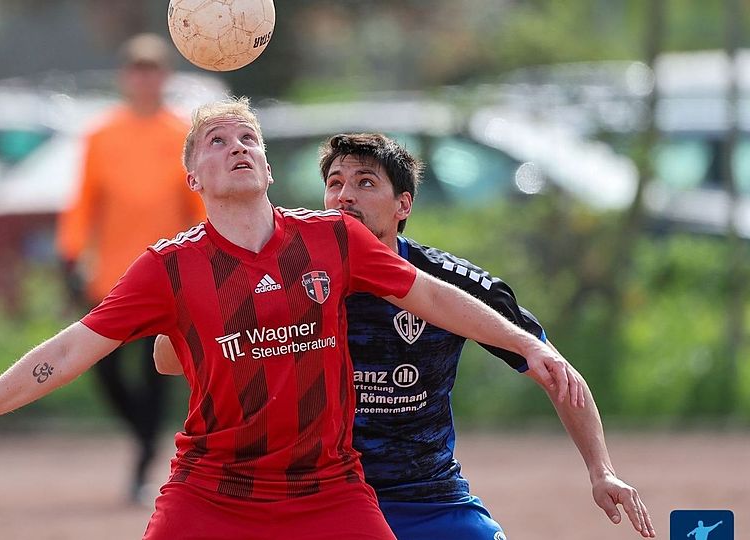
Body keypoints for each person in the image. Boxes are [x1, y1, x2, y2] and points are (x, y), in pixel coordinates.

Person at [0, 98, 584, 540]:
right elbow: (66, 353)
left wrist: (527, 344)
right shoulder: (167, 269)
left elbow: (434, 298)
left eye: (247, 138)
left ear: (265, 167)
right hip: (213, 494)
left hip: (330, 492)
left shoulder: (333, 240)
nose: (235, 146)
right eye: (214, 141)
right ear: (194, 180)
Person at [155, 133, 656, 538]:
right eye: (335, 182)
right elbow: (169, 359)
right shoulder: (292, 274)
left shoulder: (452, 284)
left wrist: (600, 468)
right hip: (319, 496)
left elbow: (555, 371)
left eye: (366, 183)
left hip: (431, 496)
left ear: (403, 204)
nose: (344, 196)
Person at [55, 33, 205, 503]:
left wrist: (208, 259)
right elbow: (84, 203)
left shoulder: (181, 134)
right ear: (126, 78)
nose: (145, 79)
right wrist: (71, 254)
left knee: (157, 370)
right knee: (104, 371)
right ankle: (144, 435)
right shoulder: (102, 136)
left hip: (169, 277)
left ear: (164, 77)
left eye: (153, 69)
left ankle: (142, 464)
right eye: (136, 70)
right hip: (113, 277)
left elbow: (197, 205)